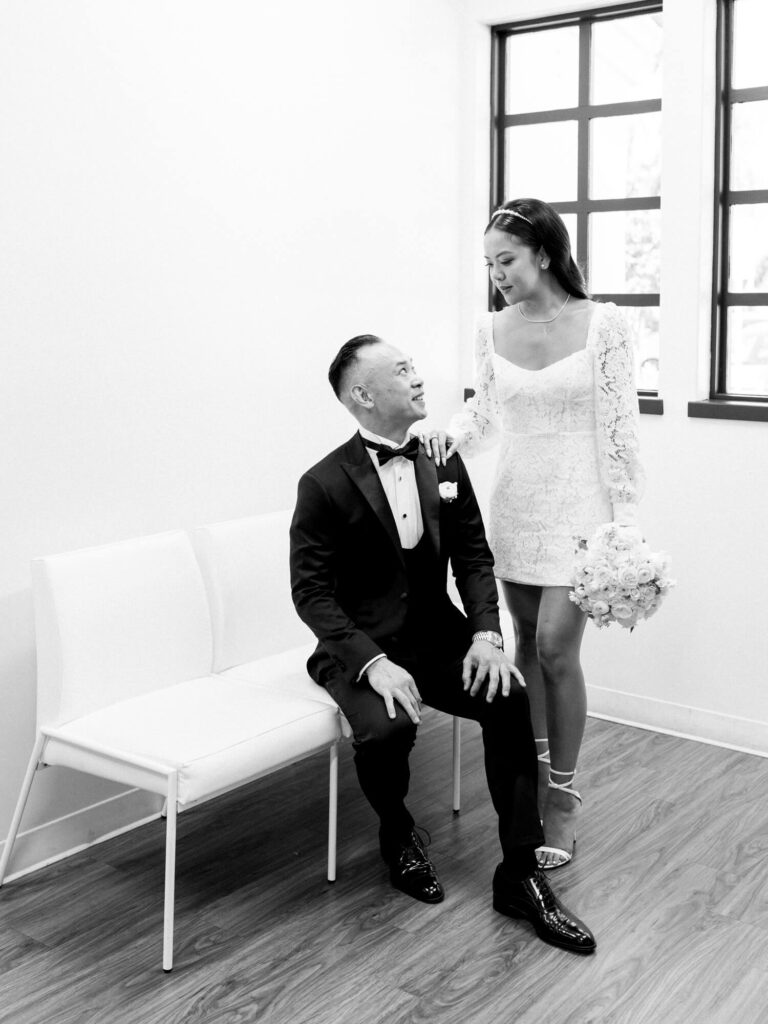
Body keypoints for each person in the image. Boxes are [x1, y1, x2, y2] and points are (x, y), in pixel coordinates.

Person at [289, 332, 596, 954]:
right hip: (359, 646)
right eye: (402, 371)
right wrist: (371, 664)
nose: (418, 378)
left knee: (507, 697)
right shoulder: (323, 483)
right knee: (387, 730)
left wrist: (486, 632)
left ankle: (520, 876)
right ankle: (398, 834)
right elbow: (311, 594)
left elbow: (474, 556)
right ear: (363, 395)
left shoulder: (442, 458)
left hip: (437, 636)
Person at [424, 198, 644, 870]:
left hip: (582, 506)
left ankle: (564, 796)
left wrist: (625, 527)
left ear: (544, 253)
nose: (498, 275)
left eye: (508, 260)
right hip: (516, 504)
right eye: (490, 264)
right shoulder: (490, 330)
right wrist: (447, 436)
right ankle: (531, 783)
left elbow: (620, 428)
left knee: (555, 647)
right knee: (524, 650)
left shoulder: (604, 325)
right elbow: (486, 417)